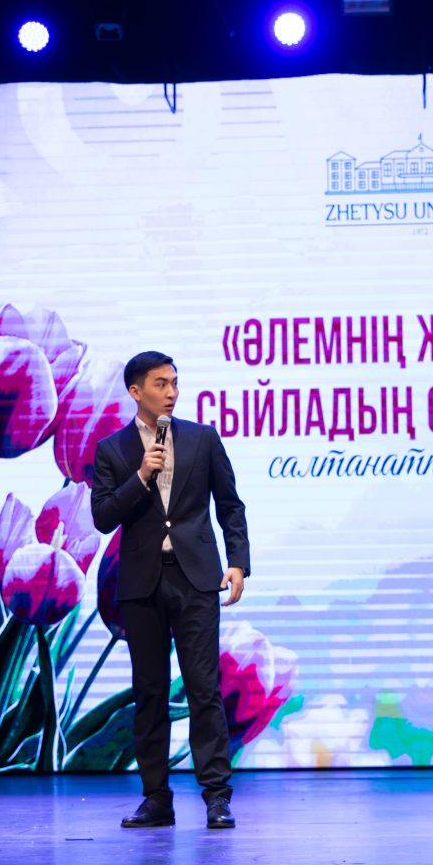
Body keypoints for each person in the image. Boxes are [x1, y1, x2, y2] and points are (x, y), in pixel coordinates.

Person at [91, 351, 250, 830]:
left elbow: (230, 505)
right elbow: (103, 518)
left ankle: (217, 797)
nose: (172, 392)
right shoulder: (112, 449)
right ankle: (156, 798)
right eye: (161, 384)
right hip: (142, 584)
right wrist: (141, 476)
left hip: (195, 578)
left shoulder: (202, 439)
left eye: (175, 383)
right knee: (150, 692)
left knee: (203, 689)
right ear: (135, 391)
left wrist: (238, 562)